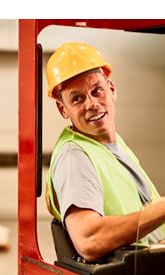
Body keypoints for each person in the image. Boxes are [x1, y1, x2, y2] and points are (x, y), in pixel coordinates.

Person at [45, 42, 165, 262]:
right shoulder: (75, 156)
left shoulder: (113, 144)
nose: (92, 104)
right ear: (63, 109)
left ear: (112, 89)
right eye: (77, 98)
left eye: (96, 91)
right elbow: (89, 239)